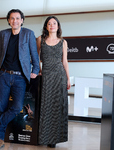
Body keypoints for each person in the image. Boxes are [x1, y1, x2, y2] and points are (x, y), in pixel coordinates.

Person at [0, 9, 40, 149]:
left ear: (22, 20)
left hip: (20, 77)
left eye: (17, 18)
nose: (15, 21)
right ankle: (0, 138)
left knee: (16, 107)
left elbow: (34, 56)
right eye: (12, 18)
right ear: (9, 20)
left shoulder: (28, 34)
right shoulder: (4, 34)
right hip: (4, 75)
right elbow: (2, 55)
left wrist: (35, 70)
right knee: (2, 108)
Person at [36, 16, 71, 148]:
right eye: (49, 23)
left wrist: (68, 78)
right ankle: (42, 137)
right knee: (45, 107)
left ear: (58, 26)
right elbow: (36, 57)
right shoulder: (40, 40)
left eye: (54, 23)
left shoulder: (63, 42)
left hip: (59, 77)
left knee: (57, 108)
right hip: (45, 77)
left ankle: (53, 139)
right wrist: (38, 70)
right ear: (46, 26)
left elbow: (65, 62)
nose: (52, 25)